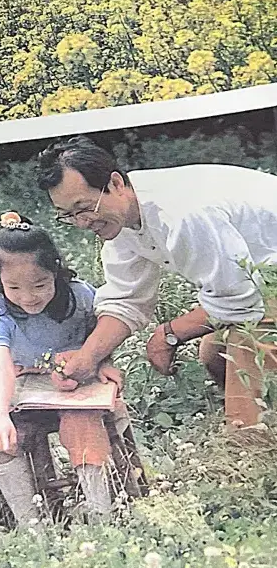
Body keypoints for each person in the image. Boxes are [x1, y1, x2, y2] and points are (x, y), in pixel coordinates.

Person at [37, 135, 277, 427]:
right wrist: (87, 357)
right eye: (69, 215)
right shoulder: (120, 219)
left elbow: (240, 303)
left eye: (84, 207)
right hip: (260, 283)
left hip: (263, 284)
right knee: (215, 355)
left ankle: (247, 444)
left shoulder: (179, 213)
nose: (82, 223)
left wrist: (168, 334)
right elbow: (126, 300)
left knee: (244, 352)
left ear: (115, 184)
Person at [0, 211, 123, 524]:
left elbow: (104, 332)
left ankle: (103, 516)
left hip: (77, 392)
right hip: (26, 396)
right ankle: (33, 524)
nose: (28, 297)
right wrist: (0, 418)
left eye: (40, 285)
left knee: (81, 424)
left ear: (56, 272)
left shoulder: (81, 296)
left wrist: (102, 361)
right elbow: (1, 368)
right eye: (13, 288)